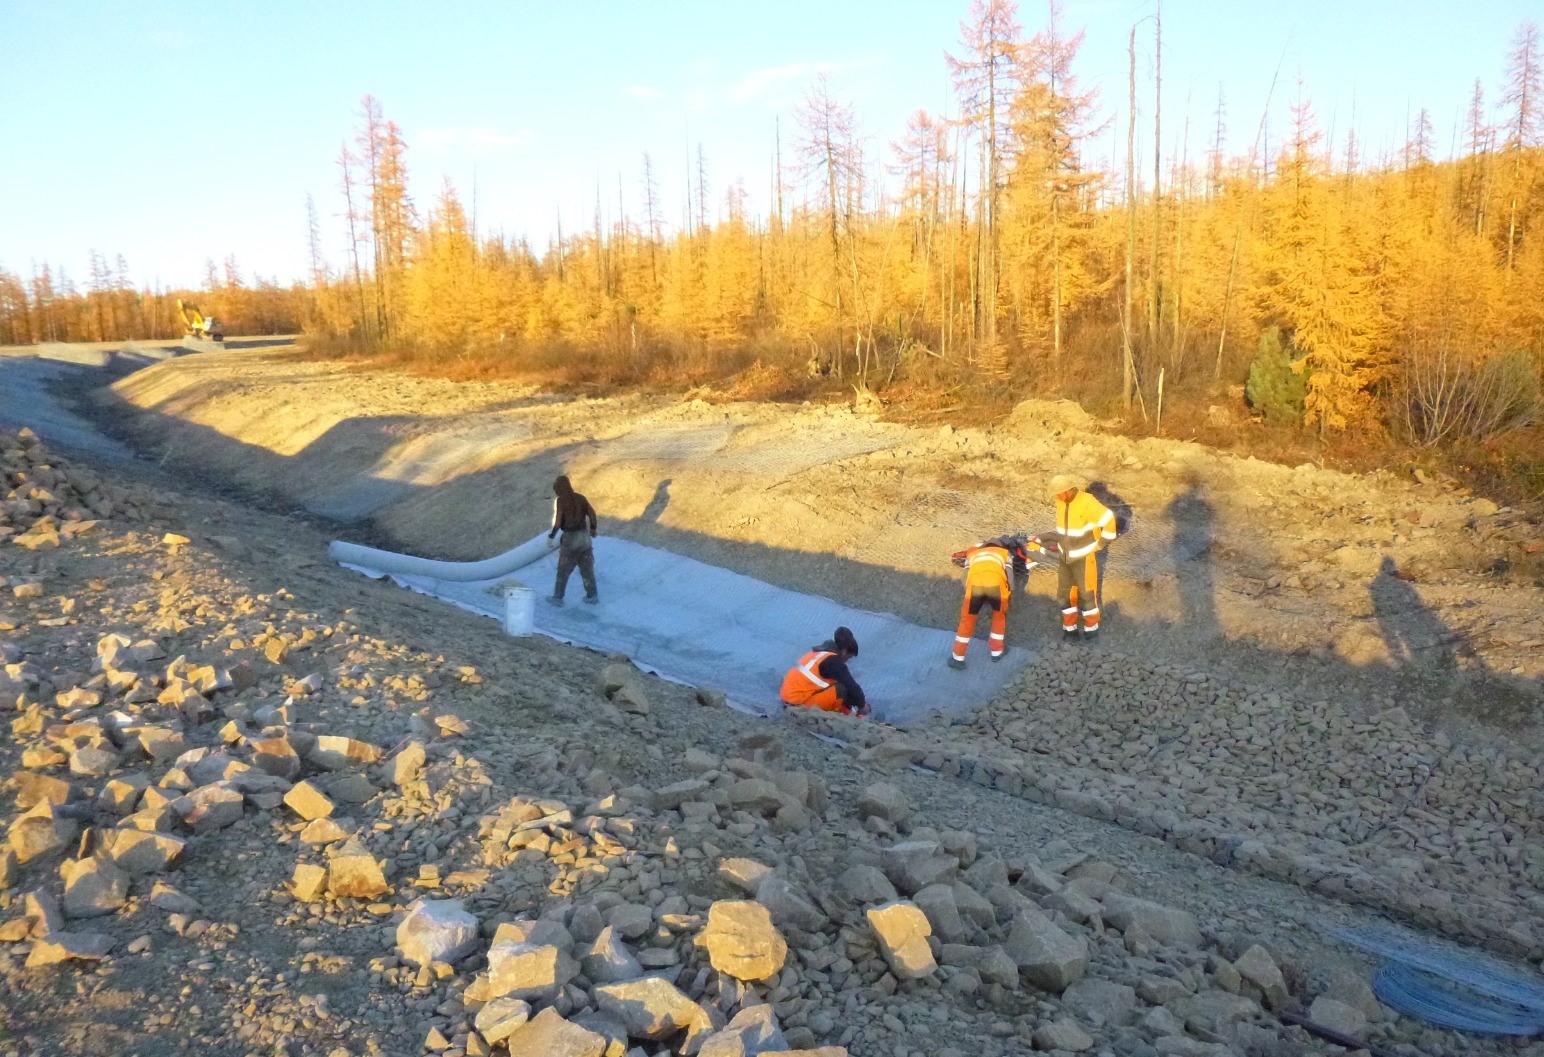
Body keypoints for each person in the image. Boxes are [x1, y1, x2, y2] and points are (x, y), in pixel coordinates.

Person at [1049, 473, 1117, 637]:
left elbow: (1109, 520)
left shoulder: (1087, 502)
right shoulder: (1061, 502)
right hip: (1065, 557)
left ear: (1069, 490)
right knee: (1064, 594)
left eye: (1059, 493)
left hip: (1083, 557)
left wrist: (1101, 543)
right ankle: (1069, 629)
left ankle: (1091, 630)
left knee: (1087, 594)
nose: (1057, 497)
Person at [948, 536, 1030, 669]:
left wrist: (970, 592)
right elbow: (1009, 573)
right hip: (996, 585)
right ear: (999, 546)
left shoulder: (973, 554)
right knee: (999, 617)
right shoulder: (1004, 553)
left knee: (967, 620)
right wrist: (1010, 592)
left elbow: (964, 578)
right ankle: (997, 652)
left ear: (984, 546)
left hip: (974, 586)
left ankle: (957, 658)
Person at [780, 627, 870, 717]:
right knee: (841, 690)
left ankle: (851, 714)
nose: (846, 661)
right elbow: (851, 685)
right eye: (848, 657)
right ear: (844, 651)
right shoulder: (832, 660)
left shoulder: (817, 655)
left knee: (836, 687)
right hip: (798, 704)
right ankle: (852, 716)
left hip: (788, 698)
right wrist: (862, 705)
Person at [547, 475, 599, 606]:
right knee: (587, 569)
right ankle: (592, 596)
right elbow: (592, 514)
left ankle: (558, 598)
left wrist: (551, 536)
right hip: (584, 536)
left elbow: (558, 522)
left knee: (563, 570)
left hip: (570, 538)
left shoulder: (561, 501)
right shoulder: (581, 498)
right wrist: (593, 529)